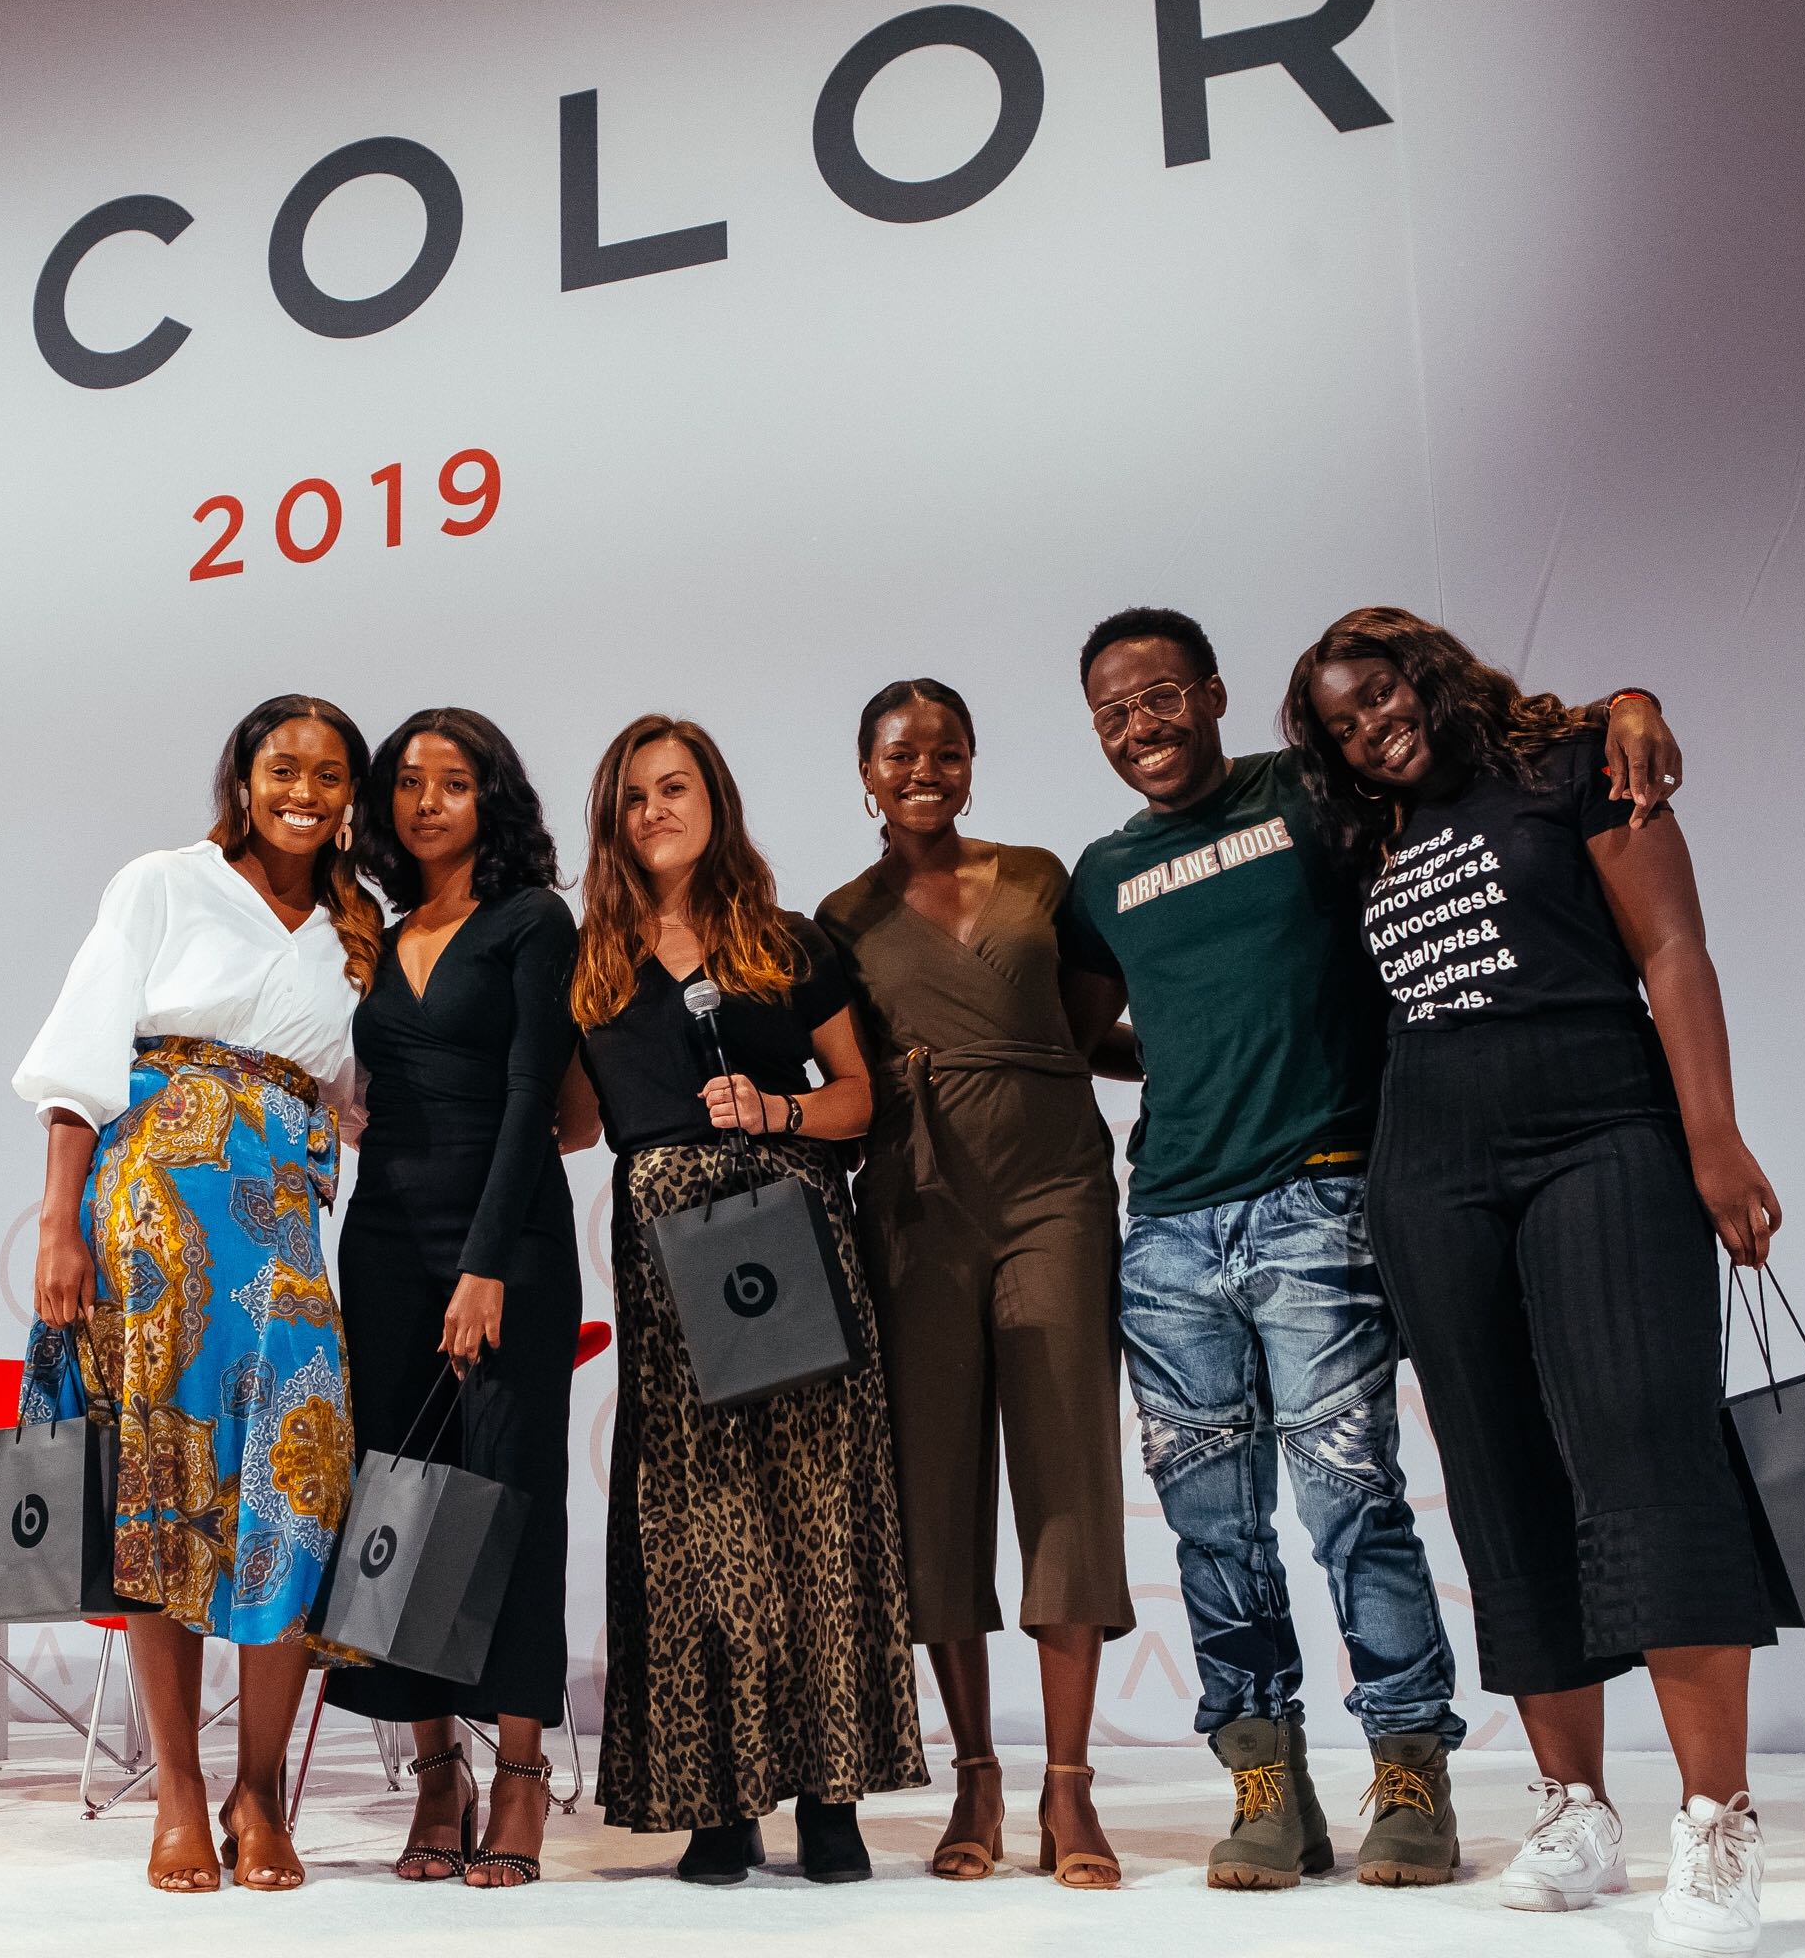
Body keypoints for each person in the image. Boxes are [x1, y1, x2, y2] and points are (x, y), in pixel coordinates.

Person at [1062, 605, 1688, 1890]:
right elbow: (1082, 1032)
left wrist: (1626, 699)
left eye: (1161, 696)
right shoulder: (1103, 871)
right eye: (1111, 713)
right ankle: (1265, 1780)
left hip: (1321, 1195)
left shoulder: (1310, 794)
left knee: (1354, 1503)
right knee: (1213, 1528)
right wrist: (1184, 1051)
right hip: (1169, 1226)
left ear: (1214, 693)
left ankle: (1411, 1767)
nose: (1139, 726)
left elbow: (1473, 748)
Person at [1290, 607, 1778, 1958]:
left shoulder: (1573, 764)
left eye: (1381, 693)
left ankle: (1719, 1821)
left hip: (1600, 1133)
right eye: (1340, 722)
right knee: (1498, 1474)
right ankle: (1575, 1808)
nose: (1369, 727)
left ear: (1429, 673)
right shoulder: (1362, 835)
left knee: (1647, 1448)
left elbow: (1672, 949)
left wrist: (1713, 1137)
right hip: (1430, 1169)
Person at [13, 695, 378, 1895]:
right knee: (157, 1488)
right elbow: (80, 1060)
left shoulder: (356, 927)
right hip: (151, 1214)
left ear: (351, 795)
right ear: (243, 776)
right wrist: (59, 1224)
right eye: (284, 766)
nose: (304, 791)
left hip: (284, 1230)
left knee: (295, 1486)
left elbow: (357, 1090)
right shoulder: (163, 882)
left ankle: (259, 1789)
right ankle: (177, 1786)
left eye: (330, 772)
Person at [570, 713, 923, 1885]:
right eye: (633, 797)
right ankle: (716, 1798)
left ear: (714, 799)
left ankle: (832, 1797)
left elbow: (859, 1094)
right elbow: (570, 1118)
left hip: (794, 1235)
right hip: (666, 1263)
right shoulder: (591, 962)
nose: (654, 811)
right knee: (693, 1525)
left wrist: (777, 1110)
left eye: (674, 787)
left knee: (819, 1511)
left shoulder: (786, 939)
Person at [813, 680, 1134, 1889]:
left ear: (972, 761)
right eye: (901, 753)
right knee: (935, 1487)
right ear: (866, 771)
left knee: (1069, 1474)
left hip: (1055, 1186)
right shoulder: (838, 918)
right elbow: (841, 1073)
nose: (924, 769)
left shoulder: (1040, 876)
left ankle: (1070, 1784)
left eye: (946, 750)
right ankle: (977, 1775)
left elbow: (1080, 1029)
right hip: (915, 1200)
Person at [326, 707, 587, 1889]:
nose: (428, 800)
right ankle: (438, 1772)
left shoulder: (532, 919)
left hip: (508, 1240)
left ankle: (521, 1770)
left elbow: (536, 1092)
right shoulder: (376, 936)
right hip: (382, 1238)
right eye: (409, 782)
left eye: (454, 781)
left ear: (493, 798)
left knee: (507, 1494)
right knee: (400, 1494)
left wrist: (485, 1263)